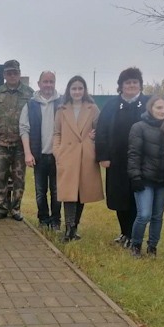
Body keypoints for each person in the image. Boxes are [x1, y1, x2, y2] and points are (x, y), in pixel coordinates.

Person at [95, 67, 151, 247]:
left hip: (141, 161)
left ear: (140, 84)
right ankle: (124, 233)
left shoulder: (148, 104)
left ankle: (134, 235)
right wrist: (103, 156)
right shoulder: (111, 105)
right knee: (119, 198)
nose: (131, 85)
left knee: (136, 198)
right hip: (116, 160)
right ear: (121, 85)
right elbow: (101, 131)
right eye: (128, 82)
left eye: (135, 82)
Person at [53, 76, 104, 242]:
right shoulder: (61, 109)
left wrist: (93, 137)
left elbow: (101, 129)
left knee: (82, 192)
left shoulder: (92, 108)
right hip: (67, 155)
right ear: (69, 90)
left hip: (85, 155)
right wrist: (57, 151)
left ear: (84, 90)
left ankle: (74, 227)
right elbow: (57, 133)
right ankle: (68, 229)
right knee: (68, 192)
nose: (77, 92)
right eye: (74, 88)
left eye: (80, 88)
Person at [0, 59, 34, 220]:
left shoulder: (29, 94)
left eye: (15, 73)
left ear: (19, 74)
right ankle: (2, 207)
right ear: (4, 75)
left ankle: (16, 209)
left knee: (19, 179)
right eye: (9, 73)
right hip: (0, 144)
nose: (12, 75)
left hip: (21, 145)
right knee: (1, 178)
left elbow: (35, 119)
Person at [126, 94, 164, 258]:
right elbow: (134, 154)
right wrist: (135, 177)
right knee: (144, 214)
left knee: (157, 216)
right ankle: (136, 245)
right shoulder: (139, 127)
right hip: (145, 179)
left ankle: (152, 247)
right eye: (158, 107)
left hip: (163, 181)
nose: (162, 111)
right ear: (150, 108)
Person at [20, 70, 62, 230]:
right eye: (45, 81)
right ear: (39, 84)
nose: (48, 85)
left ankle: (56, 221)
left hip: (57, 156)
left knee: (57, 191)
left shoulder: (62, 103)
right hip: (39, 155)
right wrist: (28, 153)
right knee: (40, 191)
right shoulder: (30, 105)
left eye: (51, 81)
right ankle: (43, 220)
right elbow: (24, 129)